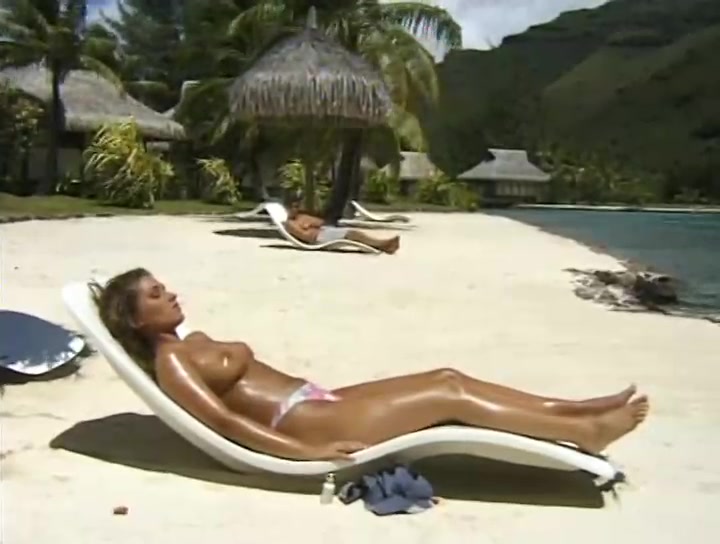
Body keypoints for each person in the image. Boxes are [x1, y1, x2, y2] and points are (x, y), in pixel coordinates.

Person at [91, 269, 649, 462]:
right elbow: (224, 422)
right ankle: (584, 433)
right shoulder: (172, 363)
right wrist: (308, 453)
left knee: (448, 377)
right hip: (309, 424)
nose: (171, 294)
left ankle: (569, 409)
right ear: (136, 319)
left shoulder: (188, 340)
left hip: (319, 400)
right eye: (157, 295)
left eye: (164, 287)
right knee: (449, 400)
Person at [284, 203, 400, 254]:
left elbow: (321, 222)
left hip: (324, 231)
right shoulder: (289, 224)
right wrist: (309, 226)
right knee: (353, 234)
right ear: (287, 209)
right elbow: (306, 236)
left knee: (354, 234)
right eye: (293, 207)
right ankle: (383, 244)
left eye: (297, 206)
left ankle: (382, 245)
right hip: (319, 237)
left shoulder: (301, 217)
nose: (296, 209)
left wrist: (309, 223)